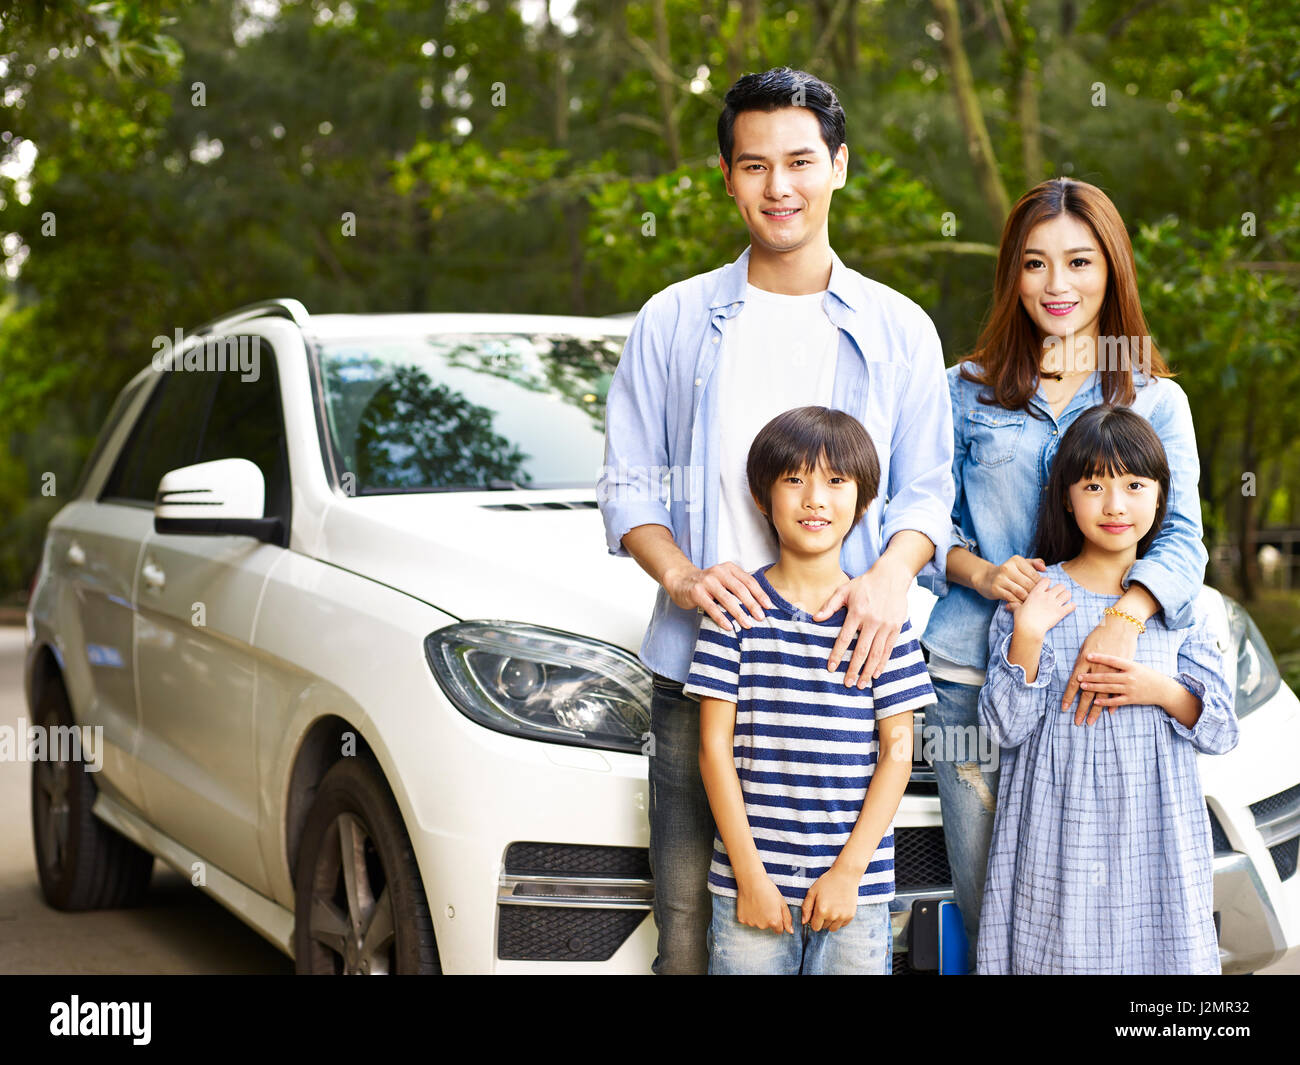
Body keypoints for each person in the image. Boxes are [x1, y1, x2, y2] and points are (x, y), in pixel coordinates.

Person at [597, 67, 954, 975]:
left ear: (839, 165)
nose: (779, 187)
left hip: (847, 678)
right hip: (704, 670)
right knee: (695, 931)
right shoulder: (673, 321)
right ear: (727, 176)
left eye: (800, 161)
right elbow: (630, 487)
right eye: (754, 166)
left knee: (851, 930)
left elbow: (924, 492)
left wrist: (888, 577)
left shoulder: (899, 328)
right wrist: (680, 575)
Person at [917, 178, 1209, 969]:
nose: (1058, 285)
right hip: (975, 676)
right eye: (1035, 263)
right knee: (998, 914)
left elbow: (1184, 539)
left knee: (1113, 912)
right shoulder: (966, 389)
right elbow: (913, 524)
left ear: (1111, 268)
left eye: (1079, 261)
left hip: (1105, 681)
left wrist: (1125, 616)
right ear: (1012, 273)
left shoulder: (1155, 399)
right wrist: (981, 573)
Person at [975, 405, 1238, 973]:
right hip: (1058, 827)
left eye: (1134, 485)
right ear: (1066, 497)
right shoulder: (1037, 593)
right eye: (1093, 485)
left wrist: (1159, 689)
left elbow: (1221, 729)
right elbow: (1000, 729)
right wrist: (1027, 633)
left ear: (1161, 498)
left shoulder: (1178, 603)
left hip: (1156, 825)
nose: (1115, 504)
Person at [683, 407, 935, 974]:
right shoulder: (734, 611)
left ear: (863, 500)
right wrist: (748, 875)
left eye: (836, 481)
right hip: (749, 886)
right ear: (762, 498)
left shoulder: (883, 620)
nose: (814, 498)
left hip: (856, 894)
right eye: (794, 480)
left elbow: (897, 753)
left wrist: (847, 875)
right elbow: (712, 749)